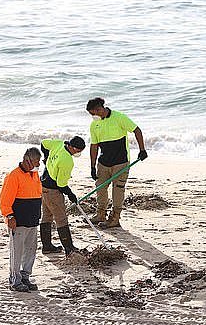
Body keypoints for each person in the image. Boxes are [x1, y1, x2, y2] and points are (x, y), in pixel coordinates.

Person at [86, 97, 148, 228]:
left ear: (100, 109)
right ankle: (100, 214)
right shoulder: (94, 125)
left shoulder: (119, 117)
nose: (93, 116)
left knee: (118, 190)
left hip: (120, 162)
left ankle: (115, 218)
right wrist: (92, 166)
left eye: (93, 113)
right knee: (100, 188)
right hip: (103, 163)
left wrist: (142, 150)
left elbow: (137, 130)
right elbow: (94, 146)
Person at [0, 147, 43, 292]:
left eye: (39, 162)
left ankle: (25, 276)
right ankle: (15, 280)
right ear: (27, 160)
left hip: (32, 220)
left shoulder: (34, 175)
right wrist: (9, 215)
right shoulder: (13, 176)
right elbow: (5, 200)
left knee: (30, 250)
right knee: (17, 251)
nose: (38, 165)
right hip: (18, 221)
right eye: (36, 162)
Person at [40, 136, 85, 255]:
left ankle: (47, 246)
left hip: (43, 185)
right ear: (70, 146)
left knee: (46, 216)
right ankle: (69, 248)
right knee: (61, 219)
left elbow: (43, 143)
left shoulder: (58, 144)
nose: (78, 153)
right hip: (53, 191)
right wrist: (71, 194)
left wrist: (46, 158)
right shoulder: (67, 161)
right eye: (77, 150)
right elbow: (61, 184)